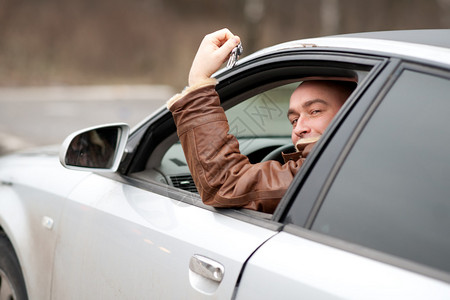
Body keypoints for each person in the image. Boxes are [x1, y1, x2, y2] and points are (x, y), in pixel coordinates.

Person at [167, 29, 355, 213]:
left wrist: (198, 81)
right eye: (294, 120)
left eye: (315, 111)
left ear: (354, 113)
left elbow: (225, 184)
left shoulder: (328, 171)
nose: (299, 128)